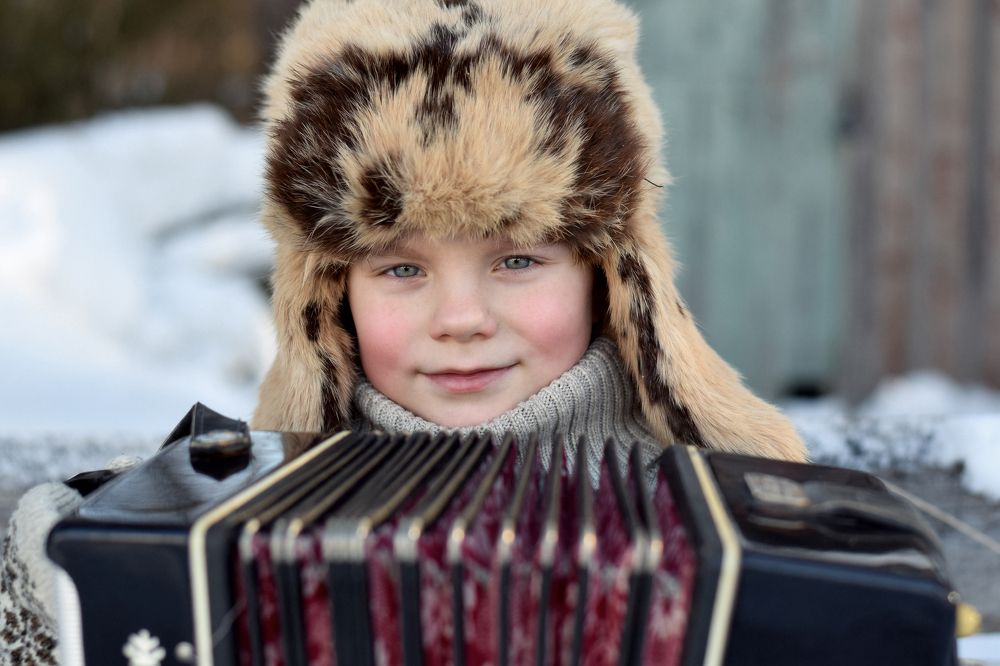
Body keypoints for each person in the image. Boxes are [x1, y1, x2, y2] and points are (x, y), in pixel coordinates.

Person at [1, 0, 806, 660]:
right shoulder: (241, 528)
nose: (460, 320)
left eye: (518, 259)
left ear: (613, 277)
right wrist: (66, 596)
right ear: (326, 300)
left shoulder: (730, 528)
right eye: (400, 269)